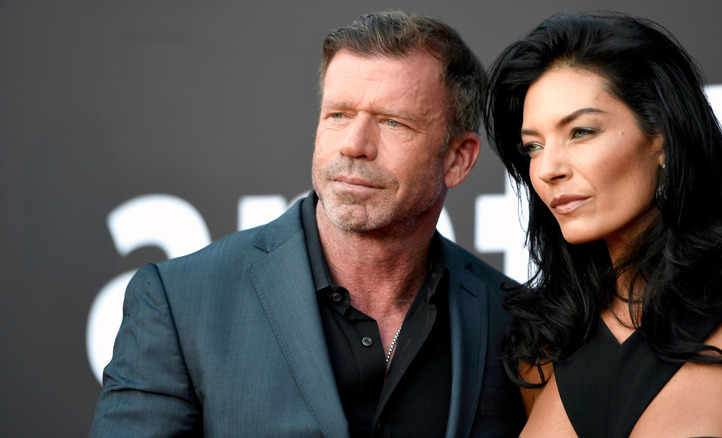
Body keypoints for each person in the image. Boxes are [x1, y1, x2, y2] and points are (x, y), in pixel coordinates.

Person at [89, 10, 525, 437]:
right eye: (337, 115)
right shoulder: (182, 303)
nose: (354, 145)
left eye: (393, 122)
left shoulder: (512, 319)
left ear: (457, 159)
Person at [484, 11, 722, 437]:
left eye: (581, 131)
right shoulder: (543, 347)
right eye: (533, 145)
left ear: (661, 135)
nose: (548, 168)